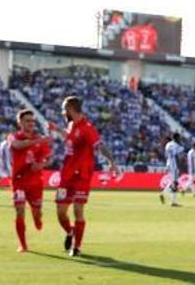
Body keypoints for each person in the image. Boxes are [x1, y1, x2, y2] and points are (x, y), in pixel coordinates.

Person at [48, 95, 117, 257]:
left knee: (78, 210)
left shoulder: (88, 128)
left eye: (64, 109)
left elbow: (99, 145)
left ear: (71, 109)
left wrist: (111, 161)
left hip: (82, 176)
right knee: (60, 211)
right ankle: (71, 232)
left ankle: (77, 247)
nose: (62, 113)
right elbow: (70, 137)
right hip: (66, 176)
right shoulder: (71, 125)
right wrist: (57, 129)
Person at [8, 109, 51, 252]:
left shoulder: (39, 139)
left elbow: (48, 157)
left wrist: (41, 164)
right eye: (27, 120)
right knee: (19, 211)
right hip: (19, 181)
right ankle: (23, 245)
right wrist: (38, 140)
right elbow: (17, 146)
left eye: (33, 121)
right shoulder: (13, 136)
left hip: (35, 182)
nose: (31, 123)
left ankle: (37, 218)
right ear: (20, 122)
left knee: (37, 212)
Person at [160, 133, 184, 207]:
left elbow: (166, 155)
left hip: (168, 164)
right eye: (179, 138)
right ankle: (173, 202)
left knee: (173, 182)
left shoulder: (168, 145)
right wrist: (179, 166)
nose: (180, 139)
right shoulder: (177, 146)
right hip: (174, 165)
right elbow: (177, 156)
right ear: (176, 138)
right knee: (175, 183)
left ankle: (163, 194)